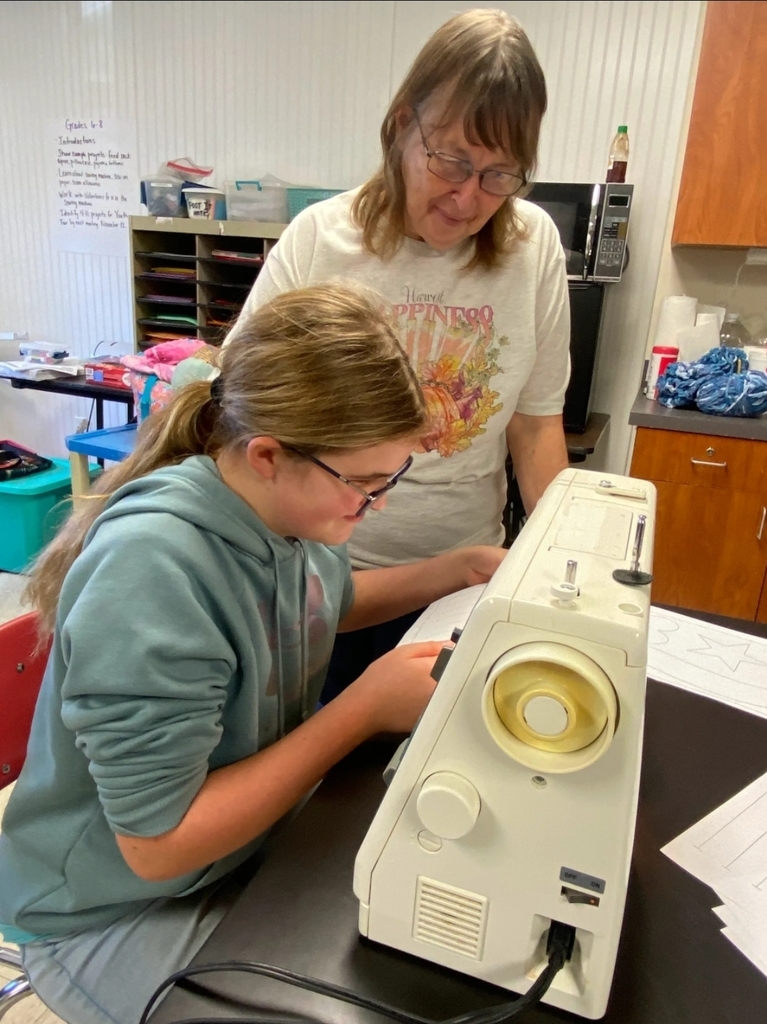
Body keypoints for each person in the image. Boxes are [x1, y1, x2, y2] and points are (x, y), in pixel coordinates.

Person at [0, 284, 504, 1024]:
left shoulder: (280, 518)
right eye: (364, 485)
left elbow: (314, 605)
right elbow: (159, 844)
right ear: (268, 453)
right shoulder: (154, 568)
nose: (378, 505)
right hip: (107, 908)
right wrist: (360, 710)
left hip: (232, 853)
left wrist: (457, 569)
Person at [227, 8, 571, 700]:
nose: (468, 196)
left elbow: (534, 427)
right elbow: (237, 407)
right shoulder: (319, 239)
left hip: (462, 579)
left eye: (499, 175)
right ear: (400, 127)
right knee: (316, 766)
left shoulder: (532, 248)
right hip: (320, 582)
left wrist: (562, 565)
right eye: (451, 161)